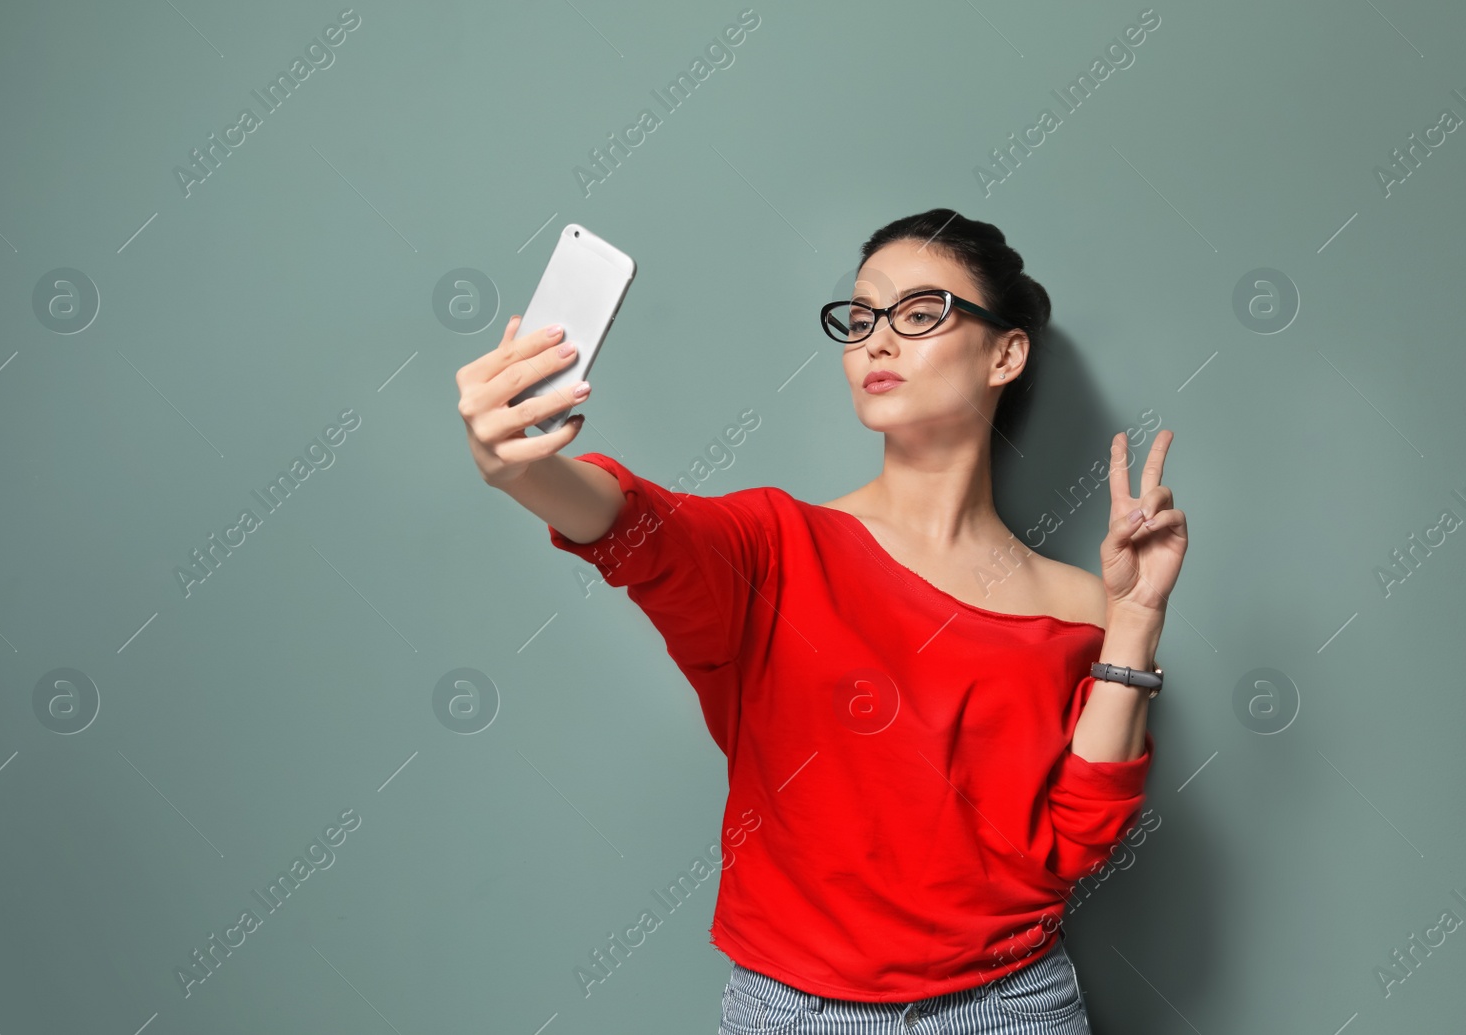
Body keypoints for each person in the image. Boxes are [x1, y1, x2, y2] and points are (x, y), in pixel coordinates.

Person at [456, 208, 1188, 1033]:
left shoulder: (1078, 604)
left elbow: (1077, 840)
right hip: (800, 1012)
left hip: (1015, 1004)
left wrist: (1134, 618)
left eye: (919, 314)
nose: (876, 341)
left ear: (1005, 352)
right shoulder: (775, 548)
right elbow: (638, 528)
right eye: (862, 316)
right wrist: (520, 468)